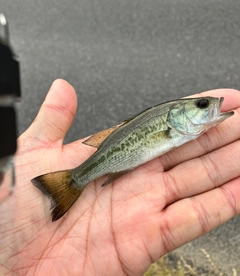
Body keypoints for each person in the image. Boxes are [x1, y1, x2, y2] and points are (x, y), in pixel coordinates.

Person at [0, 79, 240, 276]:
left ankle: (72, 182)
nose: (210, 105)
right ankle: (72, 181)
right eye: (201, 104)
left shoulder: (177, 128)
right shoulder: (169, 126)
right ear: (175, 116)